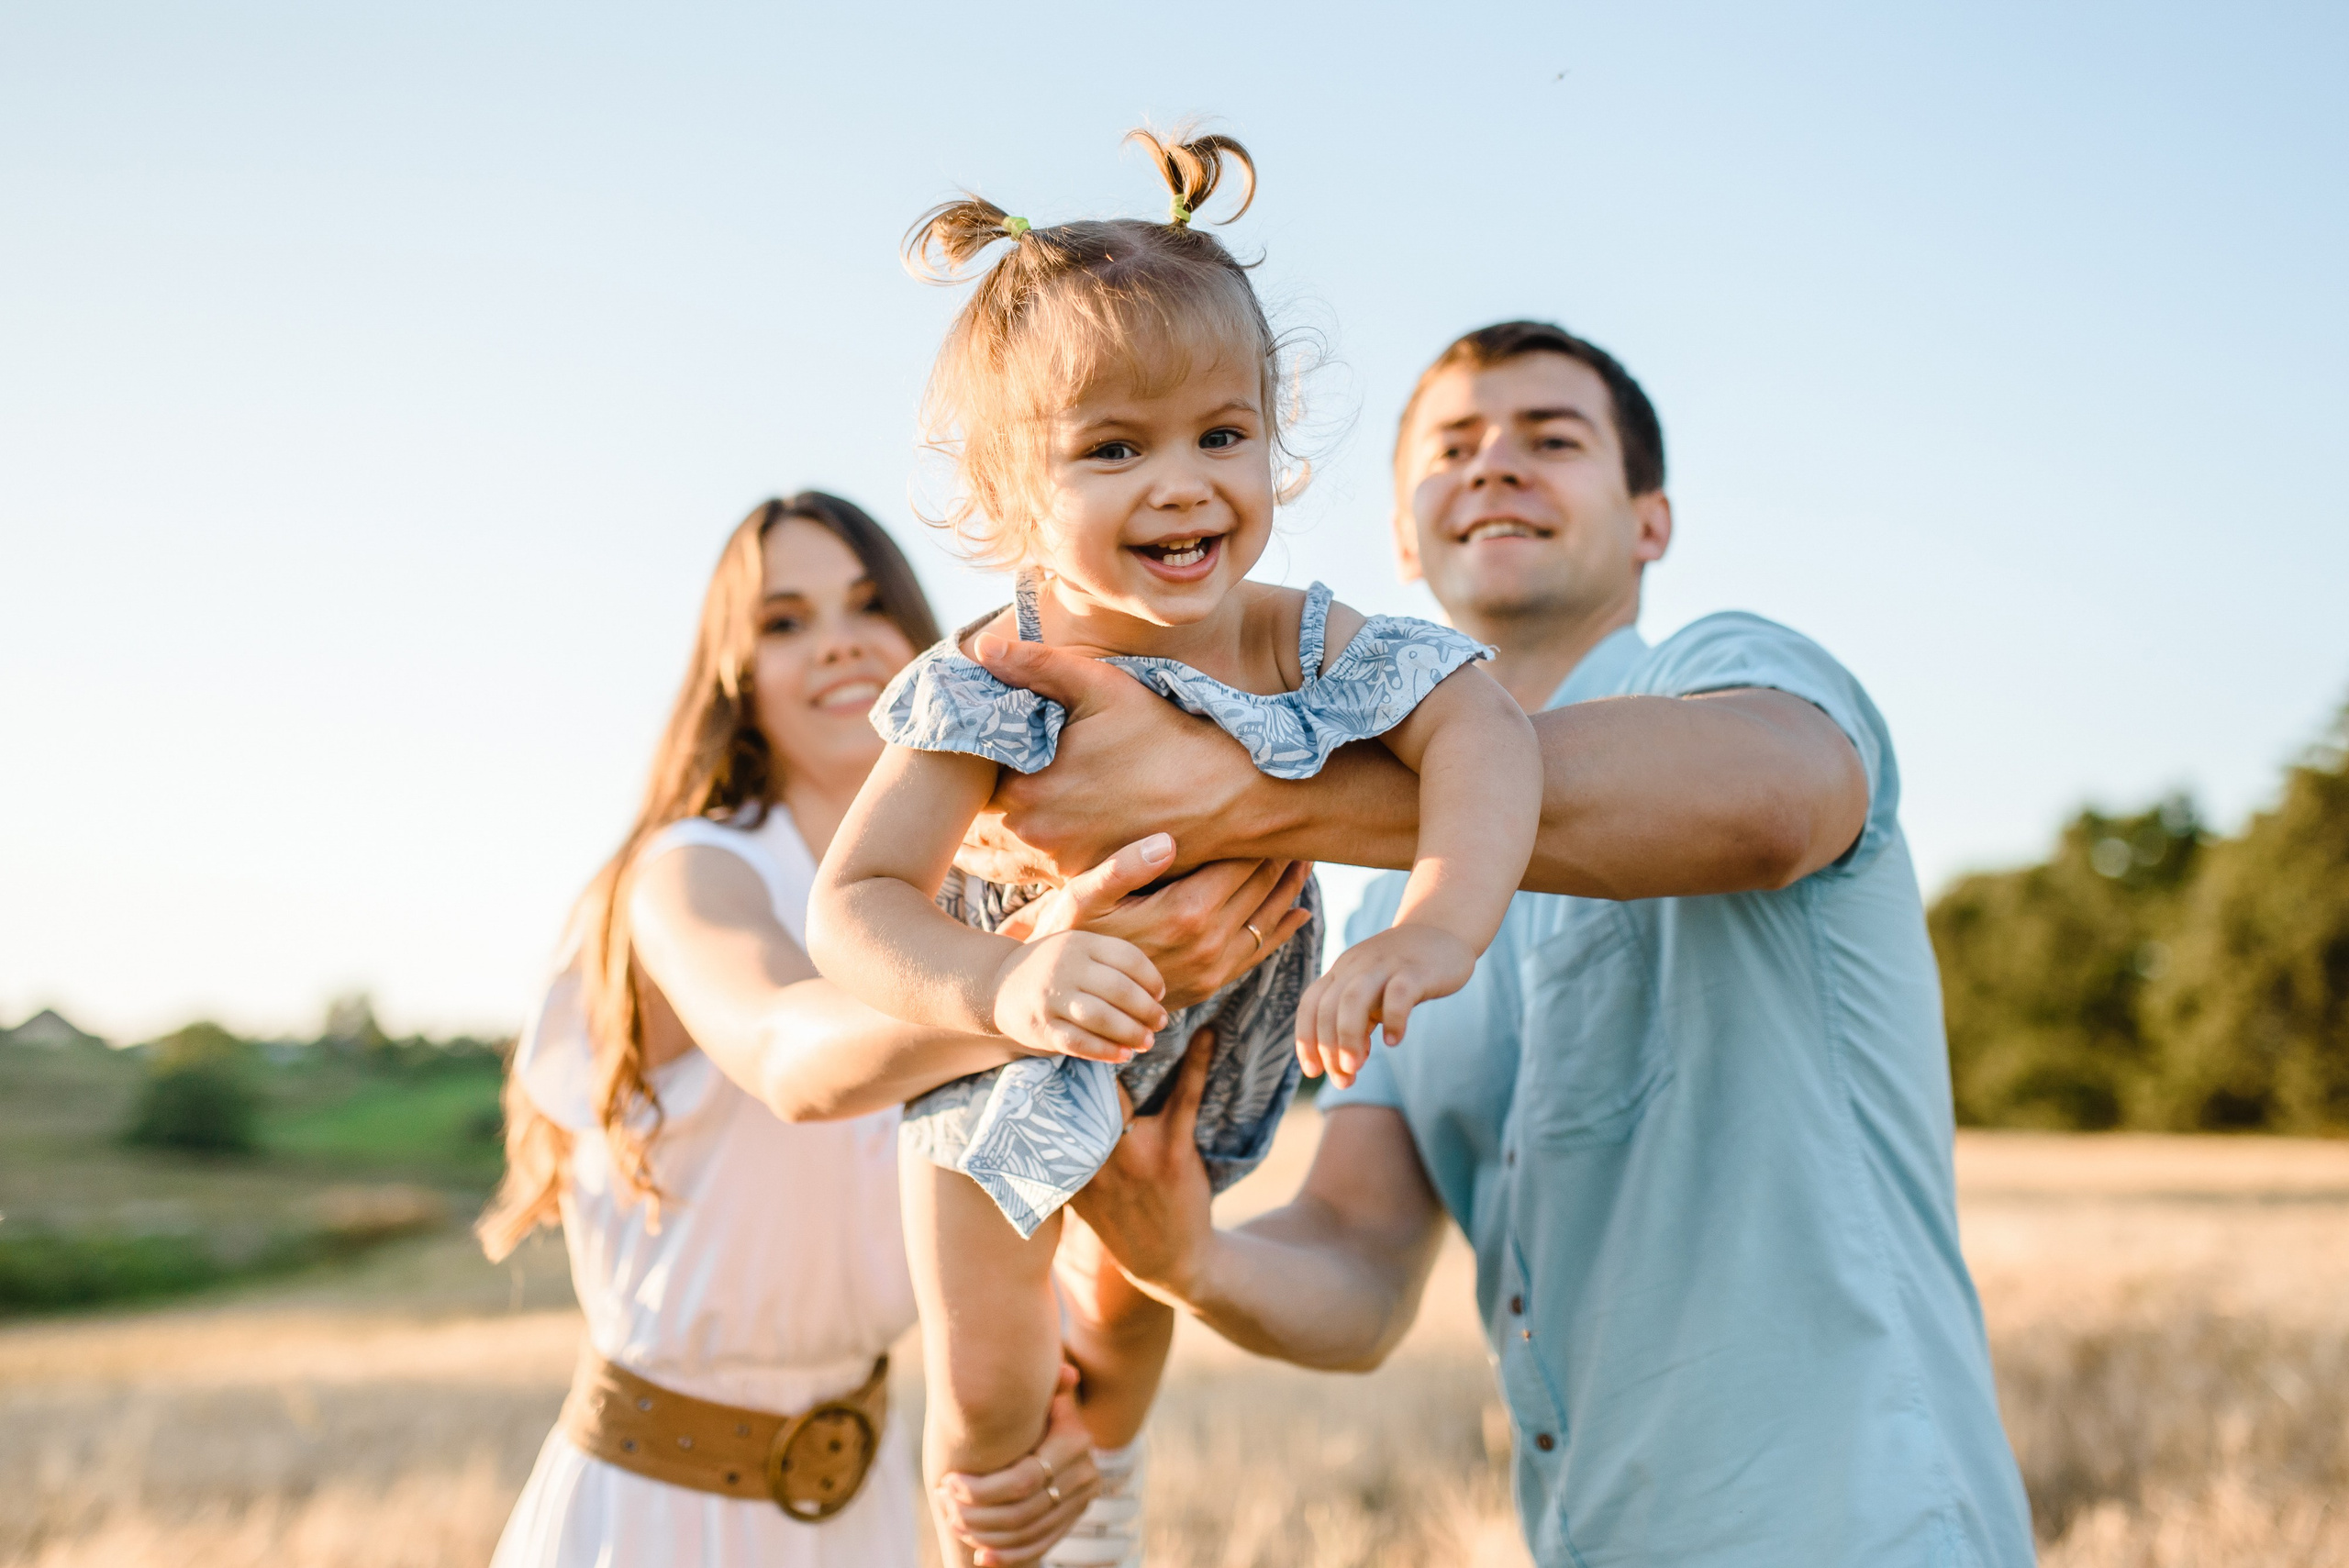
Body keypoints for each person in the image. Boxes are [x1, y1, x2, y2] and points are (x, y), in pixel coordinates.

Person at [947, 324, 2040, 1565]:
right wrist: (1190, 1257)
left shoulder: (1735, 669)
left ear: (1651, 522)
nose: (1498, 464)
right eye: (1454, 446)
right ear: (1406, 538)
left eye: (1554, 440)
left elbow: (1776, 804)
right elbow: (1358, 1268)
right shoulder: (1382, 907)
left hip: (1859, 1529)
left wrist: (1239, 787)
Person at [805, 133, 1541, 1568]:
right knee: (1002, 1375)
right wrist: (999, 989)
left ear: (1276, 436)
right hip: (1010, 1068)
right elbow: (854, 905)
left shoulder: (1308, 637)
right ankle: (986, 1524)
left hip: (1196, 1055)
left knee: (1131, 1324)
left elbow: (1486, 732)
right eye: (1113, 449)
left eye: (1222, 434)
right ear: (1012, 495)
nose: (1184, 484)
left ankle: (1104, 1522)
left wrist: (1434, 927)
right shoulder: (1001, 676)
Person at [477, 493, 1307, 1568]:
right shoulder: (692, 870)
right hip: (649, 1512)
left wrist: (1054, 1441)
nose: (835, 641)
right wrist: (1021, 975)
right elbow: (787, 1052)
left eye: (867, 603)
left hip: (866, 1505)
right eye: (783, 620)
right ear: (732, 672)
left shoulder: (992, 882)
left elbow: (1083, 1209)